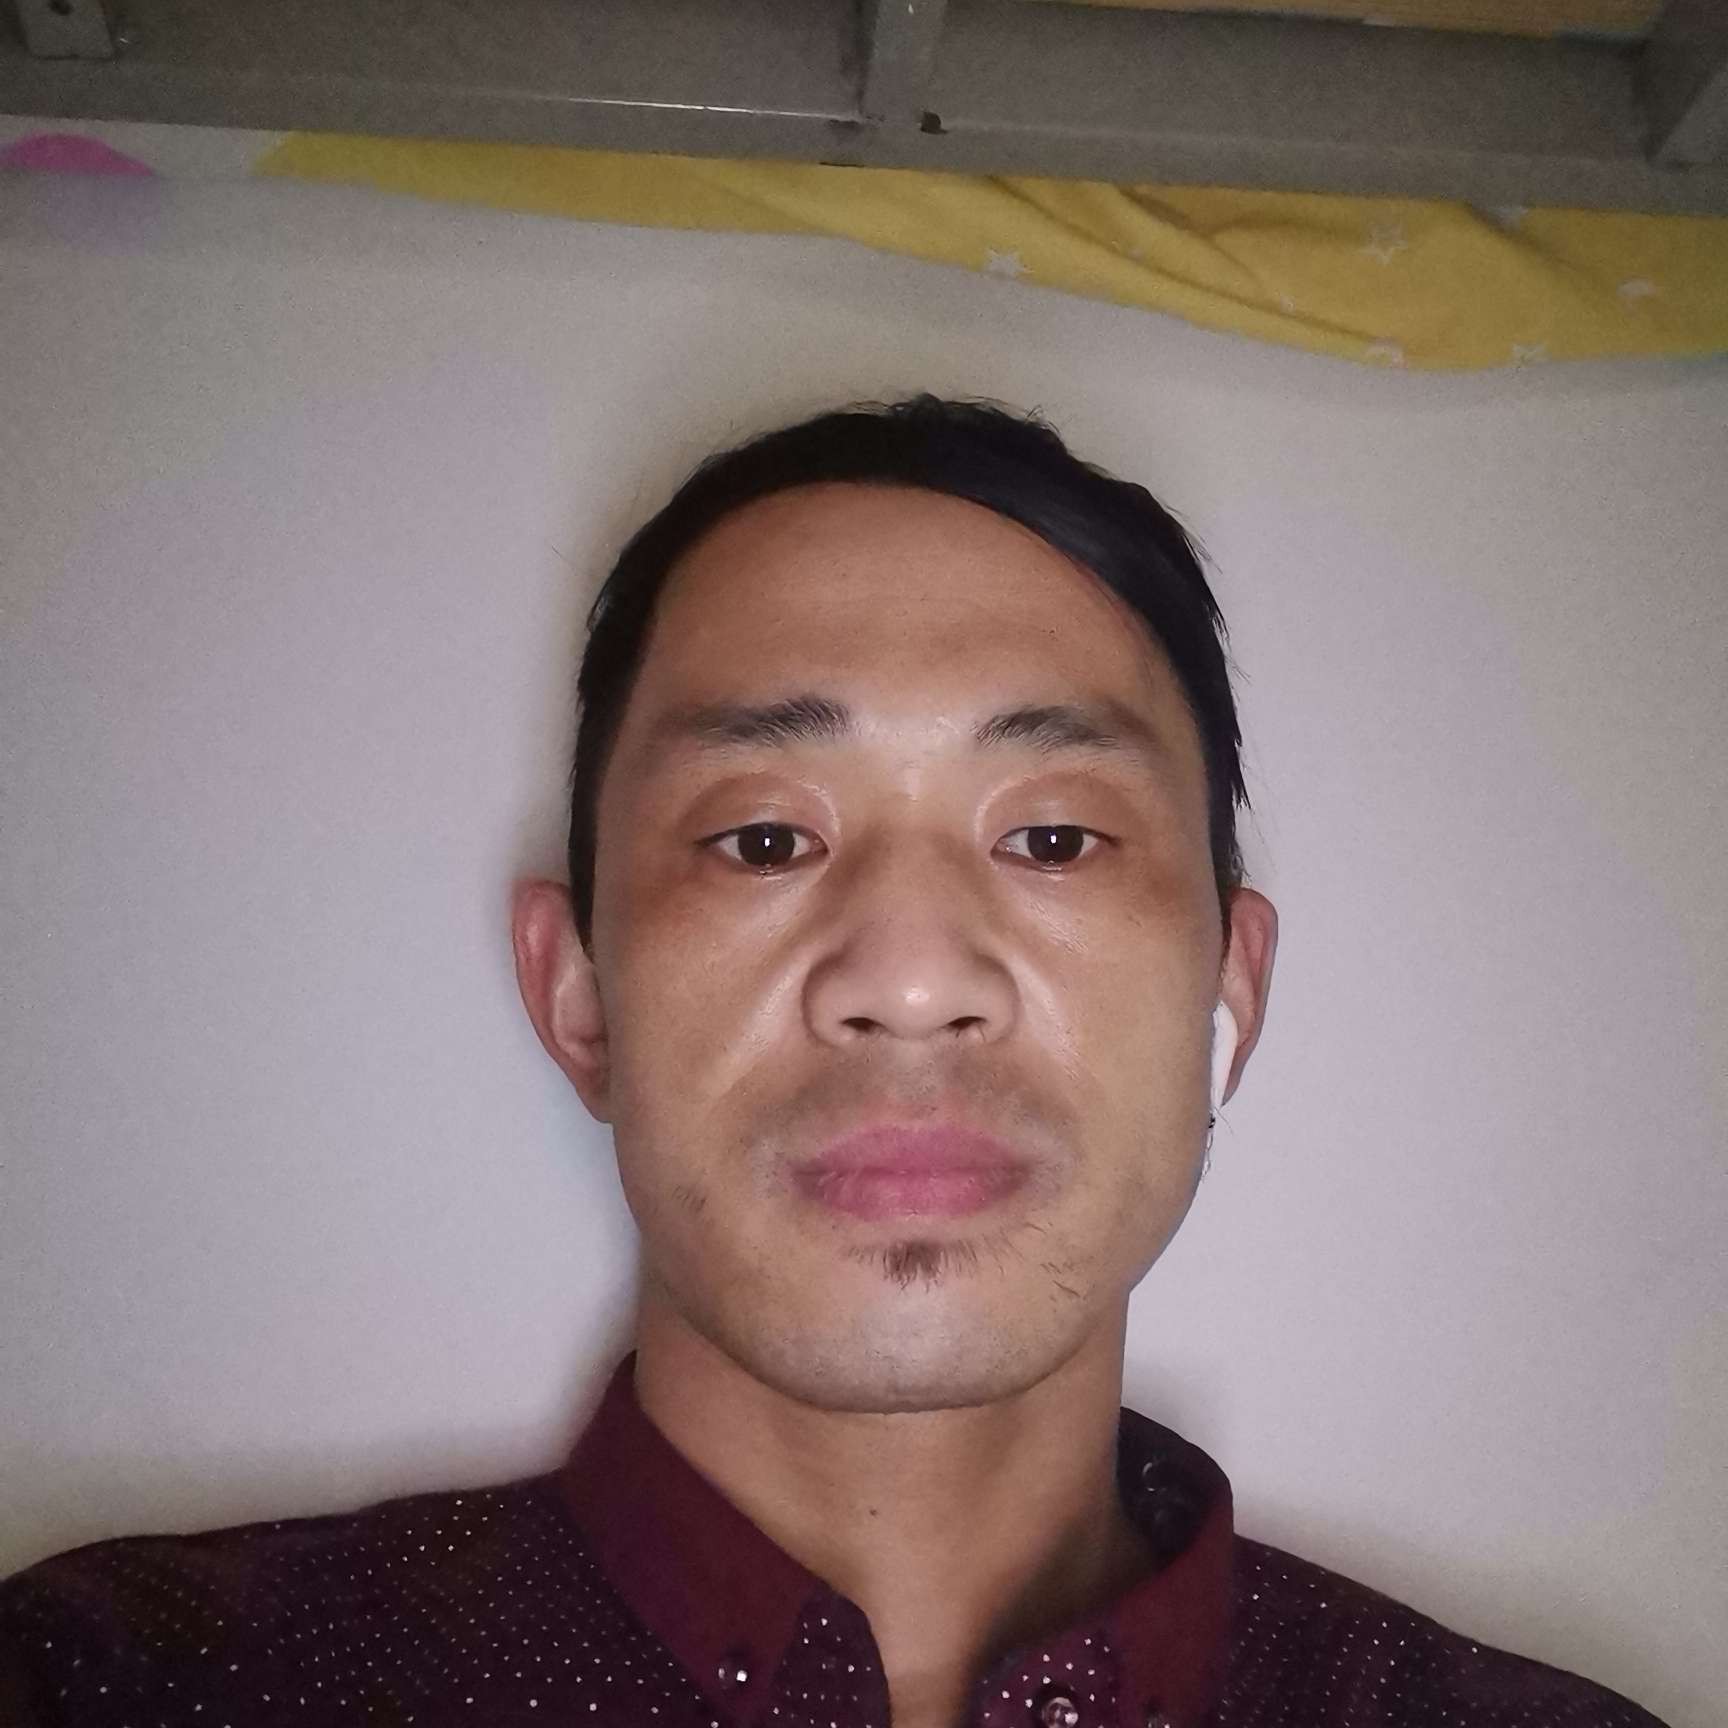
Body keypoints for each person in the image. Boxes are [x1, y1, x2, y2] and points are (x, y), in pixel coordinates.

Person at [0, 395, 1667, 1728]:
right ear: (580, 997)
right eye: (763, 838)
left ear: (1228, 997)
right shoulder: (116, 1686)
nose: (912, 979)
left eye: (1057, 836)